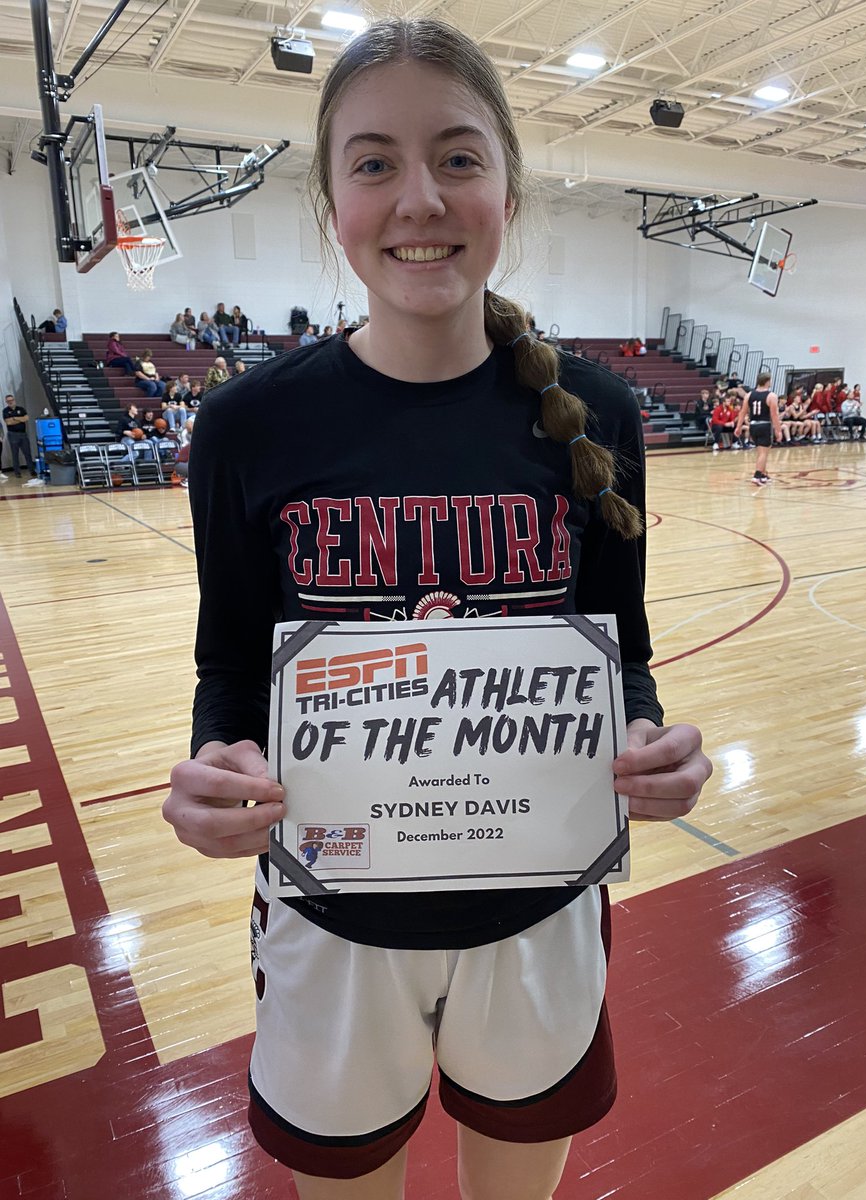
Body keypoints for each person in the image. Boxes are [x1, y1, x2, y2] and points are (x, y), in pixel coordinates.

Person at [162, 20, 712, 1197]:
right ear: (332, 200)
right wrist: (217, 764)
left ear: (509, 185)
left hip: (542, 909)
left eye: (459, 158)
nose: (420, 198)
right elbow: (228, 667)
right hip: (331, 917)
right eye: (374, 163)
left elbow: (625, 653)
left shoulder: (600, 413)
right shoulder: (249, 427)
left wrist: (645, 743)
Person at [737, 371, 782, 485]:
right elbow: (774, 415)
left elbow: (742, 412)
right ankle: (757, 476)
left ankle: (763, 474)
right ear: (767, 381)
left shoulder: (749, 395)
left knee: (762, 451)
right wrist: (778, 430)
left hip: (753, 425)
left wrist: (738, 427)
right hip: (765, 425)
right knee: (763, 452)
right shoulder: (771, 396)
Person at [2, 394, 35, 478]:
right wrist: (20, 419)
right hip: (13, 434)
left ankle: (32, 470)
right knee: (15, 454)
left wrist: (15, 418)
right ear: (6, 402)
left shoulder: (21, 409)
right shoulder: (5, 411)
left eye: (11, 400)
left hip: (23, 434)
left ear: (14, 400)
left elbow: (26, 418)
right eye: (8, 401)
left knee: (27, 453)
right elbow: (8, 422)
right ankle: (17, 472)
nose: (10, 402)